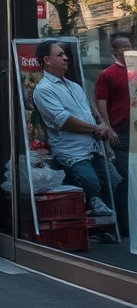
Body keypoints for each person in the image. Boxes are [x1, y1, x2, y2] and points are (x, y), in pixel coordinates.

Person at [32, 40, 120, 219]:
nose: (66, 58)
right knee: (91, 183)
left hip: (92, 148)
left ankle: (95, 218)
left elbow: (90, 109)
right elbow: (64, 120)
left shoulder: (74, 86)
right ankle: (86, 211)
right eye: (60, 55)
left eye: (65, 54)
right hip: (71, 151)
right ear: (47, 60)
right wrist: (95, 128)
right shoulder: (43, 90)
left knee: (114, 181)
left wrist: (102, 124)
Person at [96, 34, 132, 234]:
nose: (127, 49)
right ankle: (124, 225)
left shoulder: (135, 71)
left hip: (134, 129)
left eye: (129, 45)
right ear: (114, 51)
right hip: (121, 132)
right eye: (123, 46)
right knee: (125, 178)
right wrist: (109, 128)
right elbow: (100, 103)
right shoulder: (107, 75)